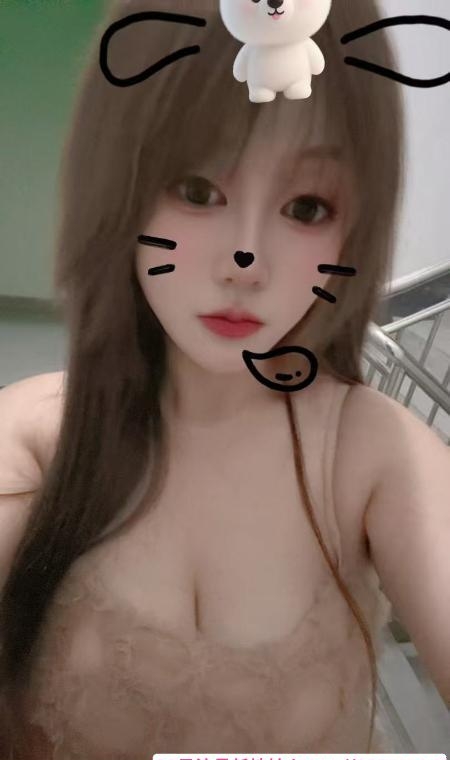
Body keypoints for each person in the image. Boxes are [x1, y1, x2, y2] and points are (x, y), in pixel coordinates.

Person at [0, 0, 449, 757]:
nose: (246, 262)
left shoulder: (373, 456)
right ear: (120, 183)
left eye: (306, 206)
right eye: (197, 191)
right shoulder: (34, 435)